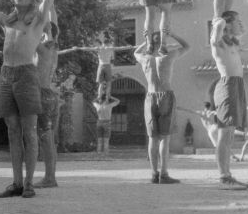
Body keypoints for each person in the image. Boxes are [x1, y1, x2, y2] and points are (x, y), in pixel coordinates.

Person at [0, 0, 54, 198]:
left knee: (29, 131)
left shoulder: (37, 19)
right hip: (6, 75)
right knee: (12, 130)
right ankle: (16, 183)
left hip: (26, 74)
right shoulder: (7, 21)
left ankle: (29, 184)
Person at [134, 30, 190, 184]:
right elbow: (186, 46)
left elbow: (135, 52)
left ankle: (153, 173)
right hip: (165, 95)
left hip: (151, 96)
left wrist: (146, 41)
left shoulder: (145, 58)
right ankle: (163, 174)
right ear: (163, 42)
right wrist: (172, 34)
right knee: (165, 138)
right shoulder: (169, 56)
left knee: (153, 138)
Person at [209, 10, 248, 189]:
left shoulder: (233, 43)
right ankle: (224, 177)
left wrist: (235, 24)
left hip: (238, 85)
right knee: (225, 134)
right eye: (237, 21)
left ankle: (228, 175)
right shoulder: (218, 43)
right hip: (227, 86)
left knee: (230, 134)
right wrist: (221, 21)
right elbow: (217, 27)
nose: (241, 24)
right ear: (227, 24)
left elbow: (242, 31)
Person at [33, 23, 76, 188]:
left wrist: (44, 28)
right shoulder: (53, 51)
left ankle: (50, 178)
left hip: (42, 95)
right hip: (49, 95)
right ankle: (50, 176)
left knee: (46, 140)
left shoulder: (46, 48)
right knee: (48, 140)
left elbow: (29, 35)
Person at [70, 32, 134, 97]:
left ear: (103, 44)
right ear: (108, 44)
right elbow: (120, 48)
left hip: (101, 66)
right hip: (107, 66)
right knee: (108, 83)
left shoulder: (99, 48)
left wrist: (78, 48)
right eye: (109, 44)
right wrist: (128, 47)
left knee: (101, 84)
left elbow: (87, 49)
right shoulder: (109, 48)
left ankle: (99, 97)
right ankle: (107, 96)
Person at [92, 92, 121, 156]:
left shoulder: (98, 106)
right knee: (106, 139)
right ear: (106, 99)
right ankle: (105, 153)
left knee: (99, 139)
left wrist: (98, 97)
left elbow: (93, 101)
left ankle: (99, 152)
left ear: (101, 99)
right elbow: (118, 101)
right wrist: (111, 97)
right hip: (107, 123)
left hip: (99, 122)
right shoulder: (109, 106)